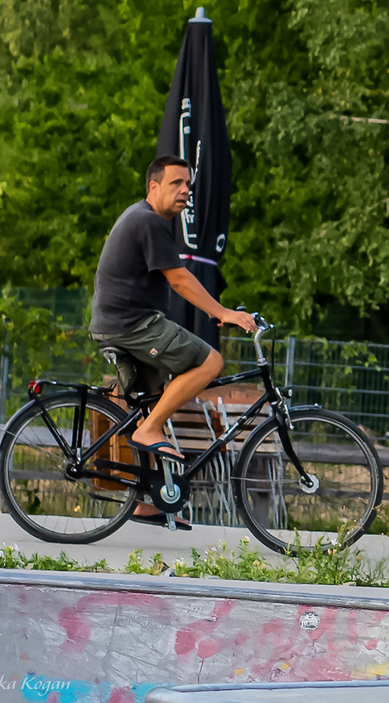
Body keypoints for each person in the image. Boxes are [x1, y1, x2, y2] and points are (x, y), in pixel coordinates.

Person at [89, 156, 258, 528]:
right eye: (176, 183)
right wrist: (223, 312)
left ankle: (144, 501)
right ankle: (149, 431)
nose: (185, 191)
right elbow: (179, 279)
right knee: (211, 363)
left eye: (188, 185)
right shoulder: (148, 221)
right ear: (154, 186)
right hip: (132, 324)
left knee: (151, 407)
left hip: (121, 322)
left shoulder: (143, 218)